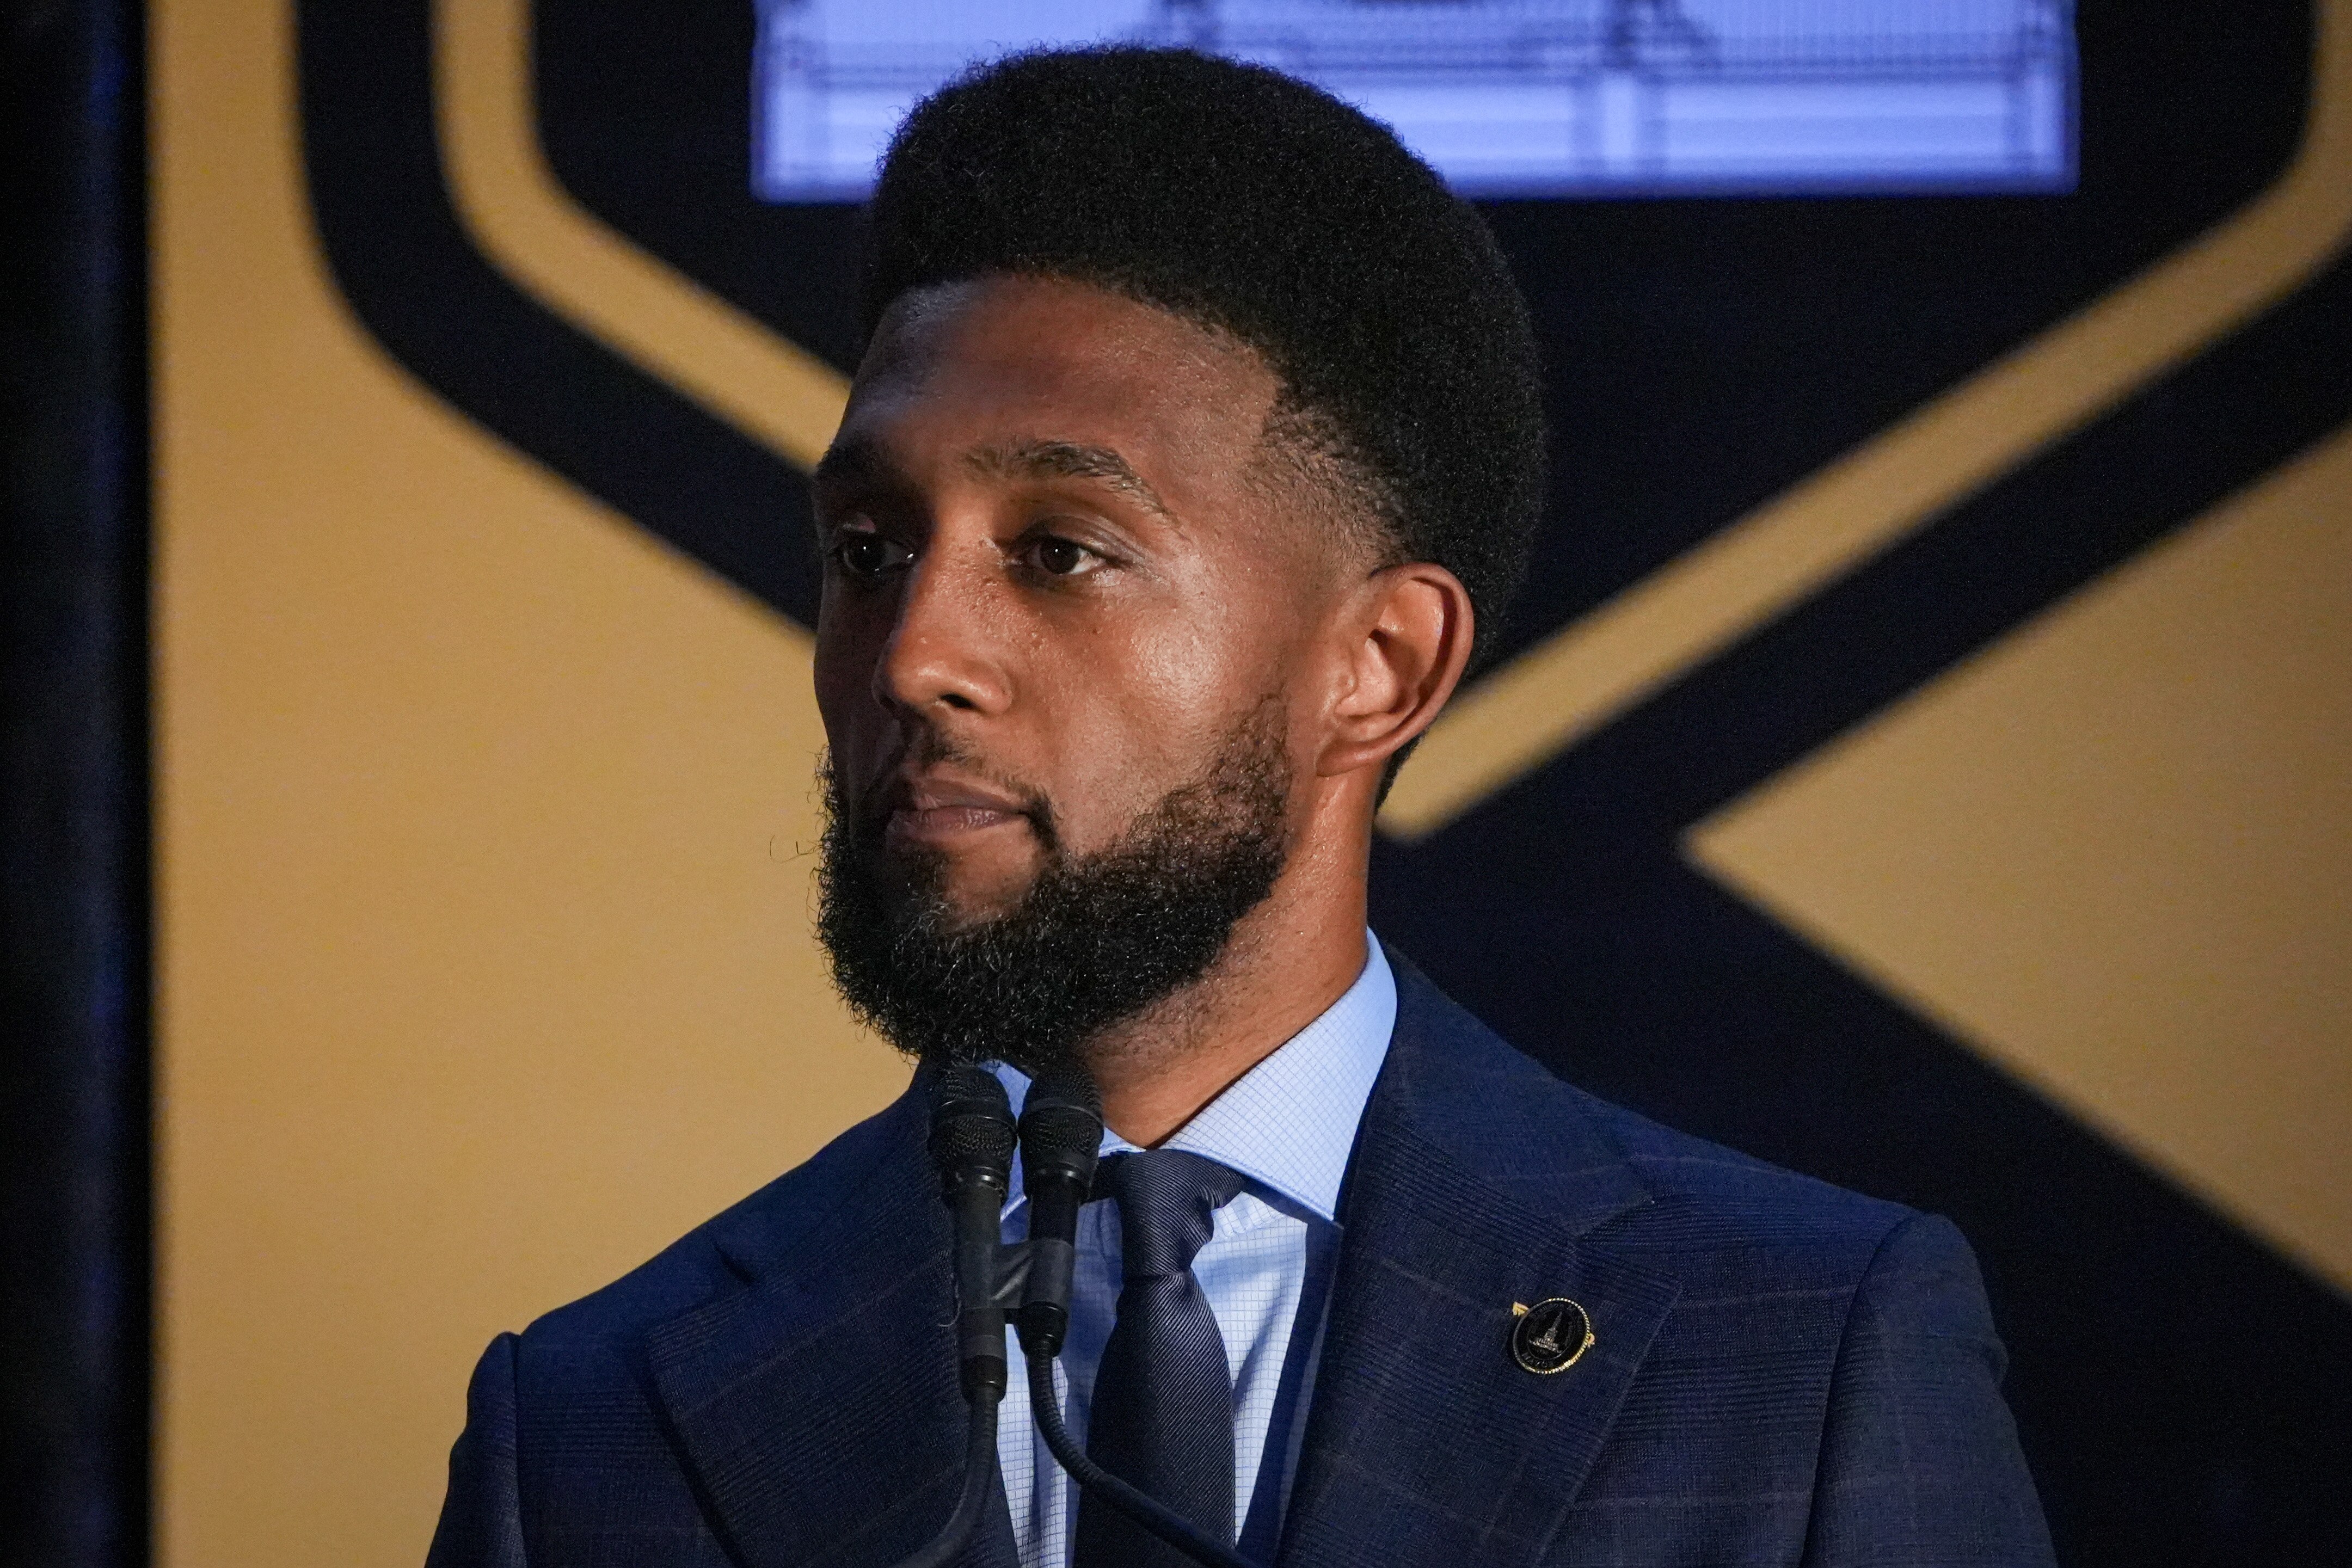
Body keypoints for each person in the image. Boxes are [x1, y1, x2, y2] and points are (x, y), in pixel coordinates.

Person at [425, 47, 2054, 1568]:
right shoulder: (590, 1419)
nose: (912, 654)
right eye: (868, 551)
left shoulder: (1800, 1346)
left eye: (1059, 549)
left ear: (1378, 664)